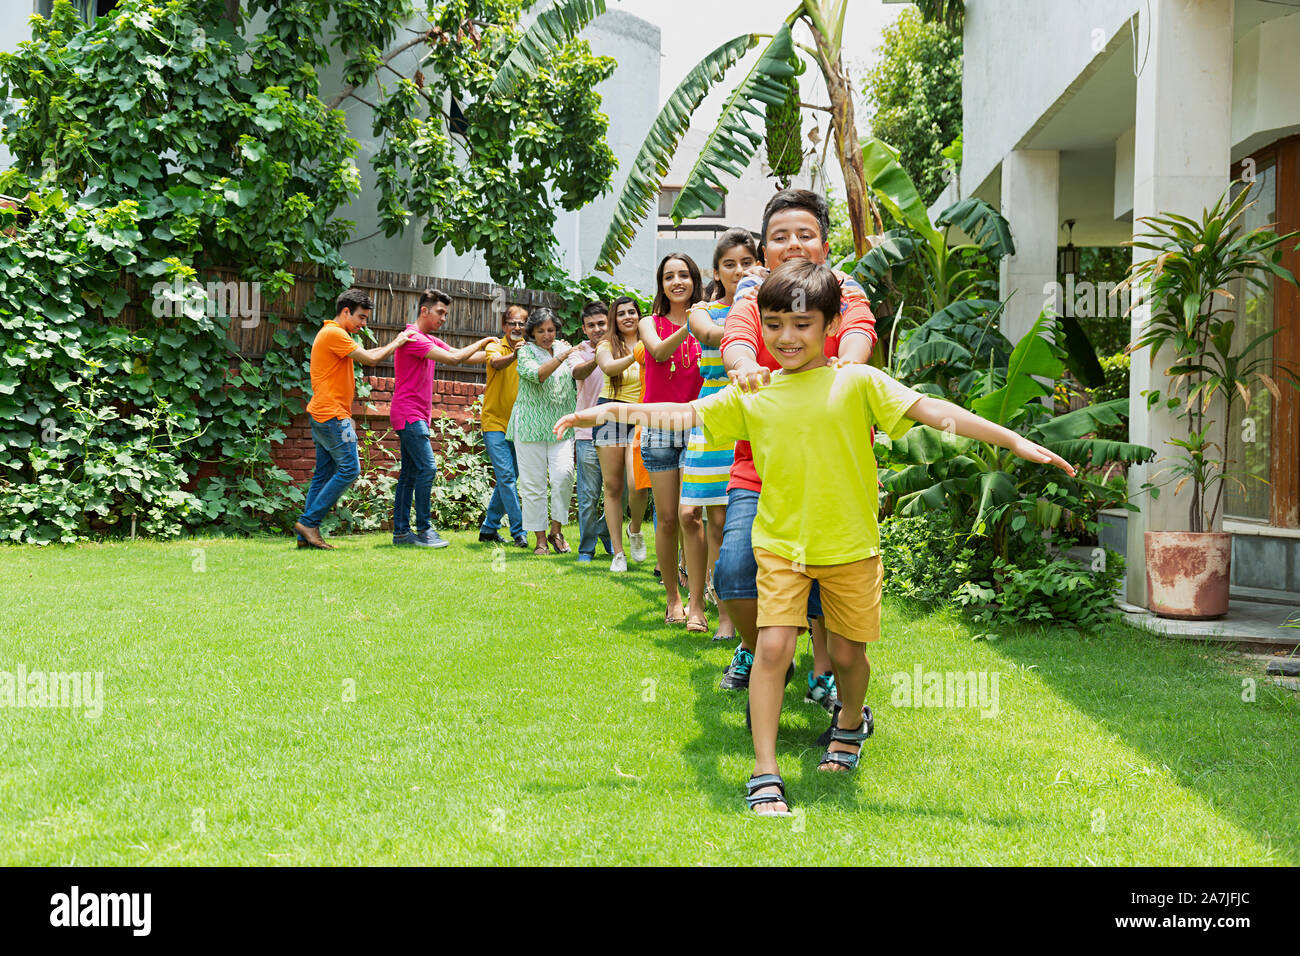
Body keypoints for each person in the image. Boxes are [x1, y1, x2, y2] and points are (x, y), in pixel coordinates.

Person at [554, 260, 1075, 816]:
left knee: (849, 655)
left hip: (851, 548)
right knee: (773, 648)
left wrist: (1013, 440)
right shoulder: (754, 392)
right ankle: (765, 771)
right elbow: (686, 415)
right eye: (773, 324)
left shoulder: (857, 381)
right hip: (780, 545)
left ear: (830, 326)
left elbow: (930, 410)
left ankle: (850, 720)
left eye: (802, 324)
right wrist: (614, 410)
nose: (786, 337)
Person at [717, 188, 877, 709]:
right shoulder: (751, 288)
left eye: (804, 235)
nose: (792, 244)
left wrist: (849, 366)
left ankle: (825, 671)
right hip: (760, 464)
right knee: (735, 573)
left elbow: (858, 329)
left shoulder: (843, 286)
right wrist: (742, 367)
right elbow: (737, 335)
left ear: (824, 246)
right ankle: (760, 650)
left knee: (828, 578)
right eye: (779, 236)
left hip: (834, 467)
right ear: (764, 249)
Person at [681, 228, 758, 641]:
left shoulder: (774, 308)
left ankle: (739, 614)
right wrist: (748, 303)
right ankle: (713, 609)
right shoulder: (702, 311)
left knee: (732, 519)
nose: (739, 270)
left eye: (747, 262)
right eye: (730, 264)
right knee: (705, 516)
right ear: (717, 270)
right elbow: (713, 336)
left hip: (753, 412)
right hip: (713, 412)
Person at [294, 288, 414, 549]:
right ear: (345, 311)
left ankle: (305, 535)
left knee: (323, 474)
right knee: (350, 468)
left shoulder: (332, 334)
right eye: (361, 317)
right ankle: (309, 522)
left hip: (325, 414)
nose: (363, 324)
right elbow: (371, 358)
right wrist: (398, 342)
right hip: (333, 416)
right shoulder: (334, 333)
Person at [390, 289, 497, 548]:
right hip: (409, 414)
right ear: (424, 311)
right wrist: (484, 341)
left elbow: (467, 356)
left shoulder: (427, 339)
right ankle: (424, 530)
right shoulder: (413, 338)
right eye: (440, 312)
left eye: (445, 314)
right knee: (427, 468)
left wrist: (505, 354)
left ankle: (402, 533)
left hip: (413, 415)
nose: (444, 318)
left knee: (409, 474)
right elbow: (454, 358)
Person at [639, 253, 706, 629]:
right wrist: (692, 326)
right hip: (659, 425)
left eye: (684, 275)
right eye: (669, 277)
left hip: (699, 425)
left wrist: (702, 321)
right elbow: (659, 351)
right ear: (662, 285)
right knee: (666, 520)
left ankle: (698, 604)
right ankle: (673, 598)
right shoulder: (652, 323)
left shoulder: (710, 320)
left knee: (692, 517)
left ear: (695, 280)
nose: (677, 282)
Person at [507, 308, 579, 555]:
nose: (547, 335)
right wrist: (562, 356)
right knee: (532, 484)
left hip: (561, 424)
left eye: (551, 330)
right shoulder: (524, 351)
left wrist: (567, 353)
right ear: (532, 333)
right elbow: (536, 375)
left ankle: (556, 531)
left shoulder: (564, 348)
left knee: (563, 476)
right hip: (529, 425)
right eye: (541, 331)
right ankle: (539, 540)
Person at [593, 296, 651, 573]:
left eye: (633, 312)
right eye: (621, 313)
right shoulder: (607, 345)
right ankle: (618, 553)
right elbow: (607, 367)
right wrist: (635, 354)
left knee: (637, 482)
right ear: (614, 319)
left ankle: (635, 529)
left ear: (640, 316)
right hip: (611, 413)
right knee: (613, 486)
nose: (627, 317)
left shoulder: (651, 339)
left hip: (642, 413)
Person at [479, 305, 530, 548]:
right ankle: (520, 532)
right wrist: (514, 356)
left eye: (521, 324)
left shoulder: (531, 350)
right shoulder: (494, 346)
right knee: (507, 476)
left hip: (519, 424)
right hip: (494, 422)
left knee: (508, 478)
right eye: (512, 323)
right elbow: (497, 363)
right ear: (504, 326)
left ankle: (489, 528)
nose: (517, 327)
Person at [570, 303, 615, 563]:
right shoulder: (580, 352)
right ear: (585, 329)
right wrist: (598, 355)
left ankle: (605, 530)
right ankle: (586, 548)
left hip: (616, 431)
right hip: (586, 434)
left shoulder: (621, 348)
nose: (598, 329)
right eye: (592, 325)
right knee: (588, 495)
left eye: (602, 323)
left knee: (620, 492)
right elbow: (577, 372)